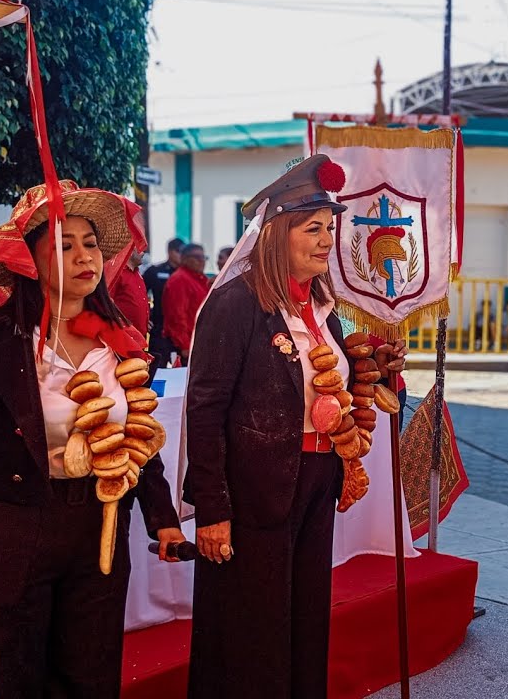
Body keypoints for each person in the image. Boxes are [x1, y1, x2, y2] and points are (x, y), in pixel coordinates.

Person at [0, 181, 186, 698]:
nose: (85, 255)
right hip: (15, 528)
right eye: (65, 246)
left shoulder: (121, 340)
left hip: (99, 526)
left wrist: (164, 521)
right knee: (7, 670)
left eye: (90, 243)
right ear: (29, 262)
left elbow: (137, 440)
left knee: (89, 671)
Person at [183, 154, 407, 698]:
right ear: (277, 233)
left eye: (330, 228)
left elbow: (343, 378)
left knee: (305, 618)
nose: (326, 239)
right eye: (312, 229)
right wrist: (212, 507)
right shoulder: (235, 304)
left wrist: (378, 367)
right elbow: (205, 407)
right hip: (252, 491)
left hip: (313, 479)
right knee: (251, 629)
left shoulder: (325, 307)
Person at [161, 243, 210, 366]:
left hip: (197, 343)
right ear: (184, 259)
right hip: (184, 346)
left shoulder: (200, 279)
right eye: (197, 257)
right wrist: (184, 346)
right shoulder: (179, 280)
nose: (202, 261)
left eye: (204, 257)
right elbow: (177, 317)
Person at [143, 238, 184, 368]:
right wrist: (145, 316)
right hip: (160, 326)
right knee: (156, 366)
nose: (181, 255)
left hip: (181, 329)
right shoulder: (155, 271)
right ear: (170, 252)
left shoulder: (187, 274)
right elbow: (140, 293)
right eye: (178, 251)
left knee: (182, 367)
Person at [111, 248, 150, 340]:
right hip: (124, 336)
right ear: (131, 251)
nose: (143, 253)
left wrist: (145, 320)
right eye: (140, 250)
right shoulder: (118, 272)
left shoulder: (137, 273)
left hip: (139, 335)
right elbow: (107, 302)